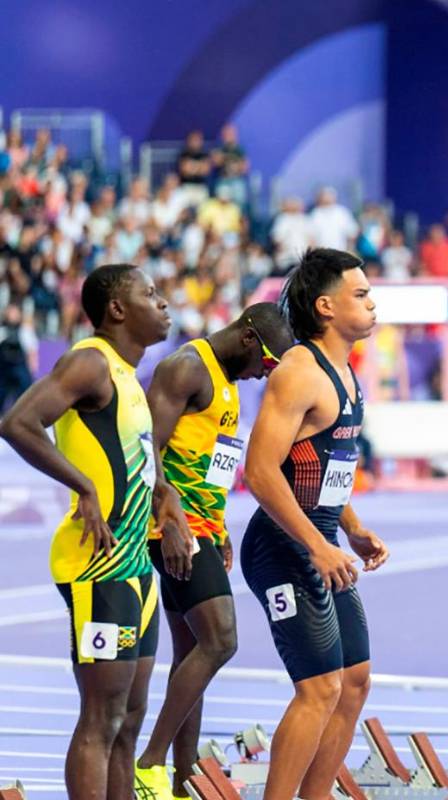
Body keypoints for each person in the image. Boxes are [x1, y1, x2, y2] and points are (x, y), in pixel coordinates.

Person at [0, 264, 172, 798]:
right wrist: (85, 488)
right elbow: (17, 423)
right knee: (102, 717)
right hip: (99, 564)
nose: (163, 302)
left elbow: (142, 460)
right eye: (150, 294)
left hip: (135, 565)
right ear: (117, 309)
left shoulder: (130, 378)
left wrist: (168, 498)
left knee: (129, 717)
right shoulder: (91, 363)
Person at [241, 249, 390, 800]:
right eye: (361, 294)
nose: (373, 304)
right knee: (320, 687)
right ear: (326, 306)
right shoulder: (300, 372)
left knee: (354, 682)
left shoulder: (346, 375)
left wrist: (349, 527)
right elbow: (260, 471)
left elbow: (324, 466)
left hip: (321, 541)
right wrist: (317, 544)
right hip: (281, 547)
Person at [132, 303, 294, 798]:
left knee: (192, 654)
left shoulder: (224, 379)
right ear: (249, 339)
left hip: (201, 525)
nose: (261, 376)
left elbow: (210, 462)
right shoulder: (186, 367)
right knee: (221, 640)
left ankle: (183, 782)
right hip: (173, 530)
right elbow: (147, 447)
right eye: (265, 365)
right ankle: (149, 763)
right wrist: (174, 519)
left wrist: (218, 525)